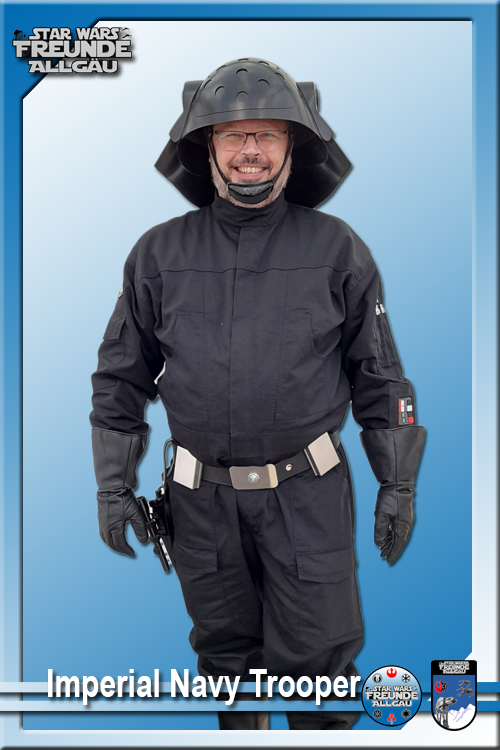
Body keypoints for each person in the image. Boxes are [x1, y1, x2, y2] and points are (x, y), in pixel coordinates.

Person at [90, 58, 425, 731]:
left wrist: (398, 484)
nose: (251, 149)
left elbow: (380, 376)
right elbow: (120, 375)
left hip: (308, 499)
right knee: (226, 666)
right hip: (201, 506)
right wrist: (112, 486)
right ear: (206, 146)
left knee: (321, 673)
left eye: (268, 134)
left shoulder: (339, 250)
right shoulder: (157, 255)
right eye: (233, 134)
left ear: (293, 146)